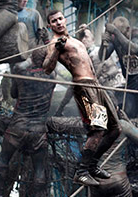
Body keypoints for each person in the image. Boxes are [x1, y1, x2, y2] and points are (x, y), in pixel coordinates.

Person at [43, 10, 122, 187]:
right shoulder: (55, 42)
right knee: (98, 129)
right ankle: (82, 171)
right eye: (54, 21)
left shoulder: (76, 41)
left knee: (115, 129)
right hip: (83, 87)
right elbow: (47, 68)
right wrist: (56, 49)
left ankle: (92, 165)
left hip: (96, 86)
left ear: (64, 20)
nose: (58, 23)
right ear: (50, 26)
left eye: (60, 19)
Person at [0, 45, 56, 197]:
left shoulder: (20, 72)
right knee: (39, 170)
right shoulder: (52, 77)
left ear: (32, 60)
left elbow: (13, 94)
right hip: (38, 132)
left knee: (4, 161)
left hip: (17, 128)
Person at [100, 16, 138, 120]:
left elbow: (133, 48)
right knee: (128, 112)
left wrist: (115, 31)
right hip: (132, 82)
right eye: (116, 34)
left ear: (128, 29)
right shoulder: (116, 39)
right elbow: (103, 56)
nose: (117, 36)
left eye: (120, 32)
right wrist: (104, 43)